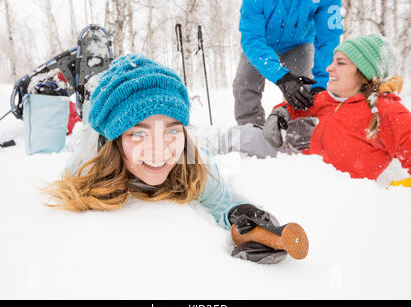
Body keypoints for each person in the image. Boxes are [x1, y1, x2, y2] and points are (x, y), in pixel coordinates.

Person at [43, 54, 295, 264]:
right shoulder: (87, 167)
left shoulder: (195, 163)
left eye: (172, 131)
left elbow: (219, 207)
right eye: (138, 133)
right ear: (115, 139)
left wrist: (240, 216)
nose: (159, 151)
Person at [262, 34, 411, 185]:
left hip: (344, 201)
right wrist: (280, 112)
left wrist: (391, 193)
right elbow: (297, 107)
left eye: (341, 63)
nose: (329, 68)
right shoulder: (330, 99)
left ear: (365, 72)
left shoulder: (389, 112)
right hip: (310, 186)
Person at [233, 0, 343, 127]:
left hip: (299, 43)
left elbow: (328, 38)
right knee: (245, 86)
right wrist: (281, 76)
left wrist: (321, 83)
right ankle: (251, 131)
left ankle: (300, 139)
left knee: (303, 92)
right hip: (260, 44)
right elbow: (252, 39)